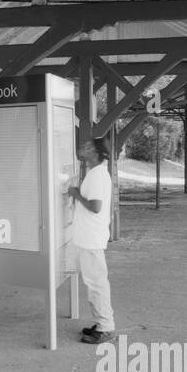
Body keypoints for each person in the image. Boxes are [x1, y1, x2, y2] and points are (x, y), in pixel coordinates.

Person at [67, 136, 116, 342]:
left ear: (96, 153)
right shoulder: (96, 173)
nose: (82, 148)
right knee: (94, 281)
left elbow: (95, 207)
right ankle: (101, 323)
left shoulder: (97, 175)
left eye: (87, 147)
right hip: (89, 237)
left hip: (91, 238)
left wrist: (75, 194)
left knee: (96, 283)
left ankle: (105, 327)